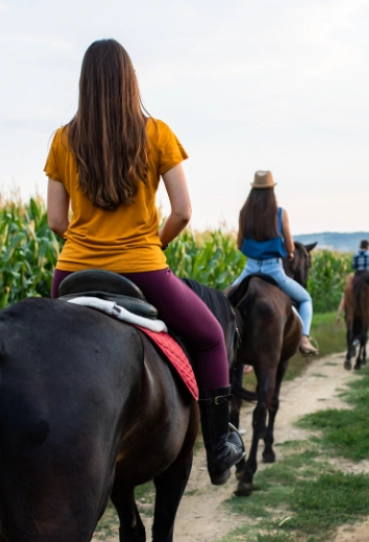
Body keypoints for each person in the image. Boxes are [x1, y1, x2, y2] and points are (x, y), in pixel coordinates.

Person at [43, 39, 244, 485]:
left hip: (72, 273)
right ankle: (217, 446)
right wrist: (151, 244)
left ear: (85, 84)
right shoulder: (157, 134)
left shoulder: (63, 139)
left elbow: (57, 220)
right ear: (130, 81)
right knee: (211, 337)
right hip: (141, 269)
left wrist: (87, 242)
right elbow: (183, 211)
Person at [231, 170, 318, 356]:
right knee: (305, 299)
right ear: (272, 191)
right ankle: (303, 338)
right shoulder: (280, 214)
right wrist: (291, 254)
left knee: (225, 301)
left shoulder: (244, 214)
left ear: (253, 190)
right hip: (274, 271)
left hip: (250, 269)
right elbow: (289, 247)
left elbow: (240, 245)